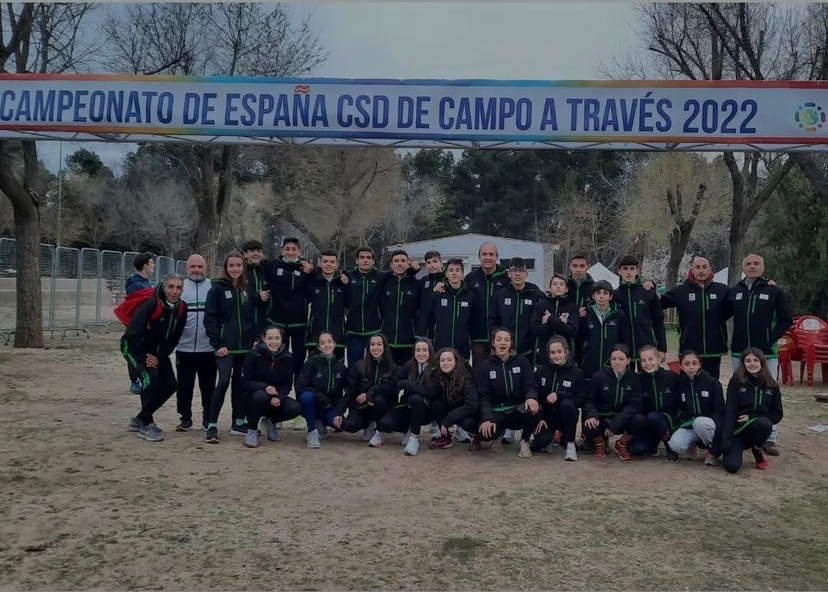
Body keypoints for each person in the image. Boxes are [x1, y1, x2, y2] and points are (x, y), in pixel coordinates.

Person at [725, 253, 792, 457]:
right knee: (739, 390)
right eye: (748, 263)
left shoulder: (774, 290)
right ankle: (740, 430)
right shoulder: (734, 291)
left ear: (763, 267)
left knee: (768, 390)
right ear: (743, 267)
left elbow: (785, 319)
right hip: (739, 350)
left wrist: (769, 340)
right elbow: (720, 314)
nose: (752, 266)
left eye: (756, 263)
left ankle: (769, 438)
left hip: (766, 353)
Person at [125, 274, 187, 442]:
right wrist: (143, 358)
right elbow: (132, 333)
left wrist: (159, 357)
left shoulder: (181, 308)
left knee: (171, 384)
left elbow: (174, 338)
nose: (174, 291)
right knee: (149, 379)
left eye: (178, 287)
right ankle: (147, 424)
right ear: (164, 287)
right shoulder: (151, 303)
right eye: (170, 287)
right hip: (135, 349)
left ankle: (140, 418)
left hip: (157, 353)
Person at [203, 251, 254, 443]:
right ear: (226, 267)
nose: (235, 269)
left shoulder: (246, 288)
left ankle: (238, 422)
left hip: (245, 347)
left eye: (238, 265)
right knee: (223, 381)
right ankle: (212, 424)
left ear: (243, 267)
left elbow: (251, 317)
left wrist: (255, 338)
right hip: (225, 347)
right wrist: (218, 343)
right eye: (231, 265)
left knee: (240, 385)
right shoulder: (216, 288)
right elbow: (210, 319)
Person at [343, 247, 417, 368]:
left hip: (375, 331)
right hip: (353, 331)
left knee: (375, 366)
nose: (365, 260)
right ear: (356, 260)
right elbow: (332, 273)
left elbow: (399, 273)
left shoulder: (380, 277)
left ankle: (372, 387)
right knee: (354, 367)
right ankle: (354, 387)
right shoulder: (349, 277)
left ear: (373, 261)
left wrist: (414, 270)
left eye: (368, 258)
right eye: (362, 258)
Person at [473, 328, 541, 458]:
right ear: (493, 343)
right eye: (498, 340)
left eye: (506, 340)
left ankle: (525, 440)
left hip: (517, 410)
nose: (502, 343)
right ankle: (498, 435)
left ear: (511, 344)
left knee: (535, 408)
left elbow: (530, 385)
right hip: (497, 412)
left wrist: (531, 397)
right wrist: (488, 418)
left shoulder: (522, 361)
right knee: (484, 433)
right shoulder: (484, 366)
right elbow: (483, 396)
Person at [659, 255, 729, 378]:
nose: (701, 270)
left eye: (704, 267)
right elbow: (659, 302)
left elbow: (740, 301)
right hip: (689, 348)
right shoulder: (681, 291)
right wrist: (649, 288)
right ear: (692, 269)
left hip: (714, 349)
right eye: (697, 267)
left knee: (712, 385)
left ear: (710, 270)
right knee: (687, 386)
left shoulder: (722, 290)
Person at [717, 348, 784, 474]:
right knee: (732, 466)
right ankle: (735, 448)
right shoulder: (736, 381)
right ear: (743, 363)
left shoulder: (772, 385)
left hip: (758, 428)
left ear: (762, 362)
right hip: (738, 430)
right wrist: (725, 439)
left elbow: (777, 414)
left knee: (764, 423)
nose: (752, 363)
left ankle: (757, 448)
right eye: (748, 361)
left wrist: (753, 416)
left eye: (755, 360)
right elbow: (730, 410)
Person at [238, 326, 301, 448]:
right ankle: (252, 430)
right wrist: (264, 387)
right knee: (260, 396)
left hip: (275, 397)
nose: (274, 342)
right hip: (254, 397)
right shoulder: (253, 355)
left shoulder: (288, 357)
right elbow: (244, 382)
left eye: (277, 338)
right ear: (263, 338)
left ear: (282, 338)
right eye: (270, 338)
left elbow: (287, 384)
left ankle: (271, 422)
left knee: (295, 408)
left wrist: (280, 397)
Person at [174, 254, 217, 432]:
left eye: (200, 267)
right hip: (184, 348)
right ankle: (185, 418)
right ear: (187, 268)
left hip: (208, 348)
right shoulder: (180, 288)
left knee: (208, 387)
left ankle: (208, 417)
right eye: (193, 267)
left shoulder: (213, 287)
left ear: (205, 268)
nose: (197, 270)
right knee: (184, 386)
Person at [263, 237, 314, 378]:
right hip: (278, 322)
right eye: (287, 249)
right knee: (280, 359)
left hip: (299, 322)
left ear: (299, 251)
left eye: (294, 249)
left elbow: (311, 292)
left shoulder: (305, 269)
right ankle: (280, 394)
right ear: (282, 250)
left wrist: (311, 273)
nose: (290, 252)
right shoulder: (273, 265)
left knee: (298, 360)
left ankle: (299, 393)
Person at [334, 334, 398, 446]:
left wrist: (369, 393)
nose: (376, 348)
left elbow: (392, 388)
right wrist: (339, 412)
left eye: (379, 344)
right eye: (372, 344)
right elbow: (350, 391)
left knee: (378, 399)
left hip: (383, 406)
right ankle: (367, 425)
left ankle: (379, 430)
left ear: (385, 346)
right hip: (361, 406)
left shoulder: (393, 367)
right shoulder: (359, 365)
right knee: (350, 425)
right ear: (368, 347)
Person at [581, 344, 643, 460]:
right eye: (614, 359)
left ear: (628, 360)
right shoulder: (598, 376)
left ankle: (621, 444)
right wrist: (592, 415)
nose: (617, 362)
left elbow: (635, 404)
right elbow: (589, 400)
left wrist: (615, 425)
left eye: (621, 359)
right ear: (610, 360)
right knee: (589, 422)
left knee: (639, 419)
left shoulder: (634, 378)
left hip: (621, 417)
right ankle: (599, 443)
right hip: (602, 417)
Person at [379, 338, 438, 456]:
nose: (421, 353)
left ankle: (414, 437)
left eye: (425, 350)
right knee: (385, 424)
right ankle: (407, 428)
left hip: (427, 409)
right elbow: (394, 382)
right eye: (418, 350)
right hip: (407, 405)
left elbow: (429, 392)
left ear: (430, 352)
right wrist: (374, 391)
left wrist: (407, 383)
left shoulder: (436, 368)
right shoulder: (409, 365)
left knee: (416, 398)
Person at [667, 350, 725, 466]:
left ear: (700, 364)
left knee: (700, 423)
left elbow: (719, 410)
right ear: (681, 366)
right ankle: (692, 445)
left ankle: (713, 451)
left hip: (708, 425)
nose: (691, 367)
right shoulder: (679, 384)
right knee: (675, 445)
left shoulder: (712, 383)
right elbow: (679, 409)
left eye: (694, 363)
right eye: (687, 364)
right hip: (690, 424)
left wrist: (719, 434)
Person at [533, 336, 585, 461]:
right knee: (541, 443)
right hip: (548, 417)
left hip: (567, 416)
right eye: (552, 352)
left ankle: (570, 444)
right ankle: (552, 437)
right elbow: (537, 396)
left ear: (566, 352)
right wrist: (540, 417)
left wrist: (560, 395)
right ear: (548, 354)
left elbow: (580, 399)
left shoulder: (576, 372)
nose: (556, 356)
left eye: (559, 352)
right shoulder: (541, 372)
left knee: (567, 404)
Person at [296, 331, 348, 449]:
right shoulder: (311, 363)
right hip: (314, 404)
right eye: (323, 343)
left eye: (329, 342)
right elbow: (301, 386)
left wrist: (339, 412)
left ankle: (322, 422)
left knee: (345, 425)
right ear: (319, 346)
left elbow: (348, 391)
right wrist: (322, 397)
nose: (327, 345)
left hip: (330, 406)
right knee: (306, 396)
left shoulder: (341, 367)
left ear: (335, 344)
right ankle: (312, 430)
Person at [630, 345, 682, 462]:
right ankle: (653, 444)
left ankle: (670, 446)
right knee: (636, 449)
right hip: (649, 423)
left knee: (653, 416)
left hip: (668, 421)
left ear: (658, 360)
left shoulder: (671, 377)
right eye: (643, 360)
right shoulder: (638, 380)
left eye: (651, 359)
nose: (647, 363)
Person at [614, 255, 667, 366]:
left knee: (647, 381)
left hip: (646, 347)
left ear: (638, 270)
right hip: (623, 349)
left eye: (632, 269)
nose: (629, 272)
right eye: (625, 269)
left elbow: (658, 322)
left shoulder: (648, 293)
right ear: (619, 271)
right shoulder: (614, 295)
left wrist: (662, 348)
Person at [489, 257, 543, 366]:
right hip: (505, 352)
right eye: (514, 271)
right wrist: (499, 341)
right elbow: (492, 320)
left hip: (528, 351)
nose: (517, 274)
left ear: (526, 273)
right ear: (509, 274)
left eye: (521, 271)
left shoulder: (536, 294)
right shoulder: (500, 295)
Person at [464, 242, 508, 366]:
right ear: (479, 257)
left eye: (491, 254)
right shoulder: (470, 279)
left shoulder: (505, 277)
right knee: (480, 374)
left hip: (501, 338)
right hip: (478, 338)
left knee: (500, 374)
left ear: (496, 256)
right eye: (484, 254)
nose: (487, 257)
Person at [428, 348, 480, 450]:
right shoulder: (438, 375)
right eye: (442, 360)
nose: (445, 363)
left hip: (470, 412)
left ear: (456, 361)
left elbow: (472, 404)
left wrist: (449, 419)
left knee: (467, 423)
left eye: (449, 360)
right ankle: (445, 437)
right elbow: (428, 393)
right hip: (453, 406)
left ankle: (478, 436)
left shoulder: (466, 377)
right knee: (435, 404)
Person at [425, 258, 477, 360]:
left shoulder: (470, 295)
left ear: (462, 274)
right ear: (446, 274)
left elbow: (473, 323)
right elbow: (429, 320)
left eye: (457, 270)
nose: (454, 273)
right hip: (441, 349)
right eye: (451, 270)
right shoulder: (437, 294)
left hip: (462, 349)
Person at [578, 280, 629, 380]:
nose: (601, 296)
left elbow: (625, 339)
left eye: (605, 293)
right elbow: (580, 338)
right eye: (598, 293)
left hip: (612, 363)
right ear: (593, 296)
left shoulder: (619, 314)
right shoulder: (585, 314)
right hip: (590, 363)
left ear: (610, 296)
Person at [379, 249, 422, 366]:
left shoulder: (416, 284)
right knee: (389, 376)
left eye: (403, 261)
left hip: (408, 340)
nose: (399, 263)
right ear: (391, 265)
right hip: (387, 340)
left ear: (408, 263)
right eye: (396, 261)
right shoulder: (384, 283)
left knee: (407, 377)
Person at [304, 250, 349, 361]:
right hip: (315, 335)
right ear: (320, 263)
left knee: (337, 370)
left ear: (337, 264)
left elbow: (349, 304)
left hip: (337, 334)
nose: (328, 264)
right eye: (325, 261)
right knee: (315, 370)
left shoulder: (343, 282)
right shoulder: (312, 280)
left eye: (332, 262)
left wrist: (346, 286)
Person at [124, 251, 157, 393]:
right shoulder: (135, 283)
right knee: (133, 350)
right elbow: (134, 304)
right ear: (145, 265)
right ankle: (135, 380)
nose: (153, 265)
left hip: (148, 325)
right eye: (151, 263)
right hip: (137, 325)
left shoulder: (147, 282)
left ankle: (146, 377)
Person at [531, 273, 578, 360]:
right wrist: (561, 322)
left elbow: (573, 331)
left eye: (561, 284)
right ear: (550, 287)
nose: (558, 287)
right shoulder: (540, 305)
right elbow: (535, 329)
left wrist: (550, 319)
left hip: (565, 354)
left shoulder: (572, 307)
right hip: (544, 353)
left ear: (566, 289)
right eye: (555, 284)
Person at [241, 239, 271, 337]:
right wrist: (257, 295)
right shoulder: (240, 272)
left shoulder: (265, 270)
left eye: (258, 251)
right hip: (245, 323)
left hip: (264, 324)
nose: (256, 254)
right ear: (245, 254)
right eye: (252, 251)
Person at [415, 250, 445, 341]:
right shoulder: (423, 281)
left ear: (441, 263)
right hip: (424, 329)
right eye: (428, 262)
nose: (432, 265)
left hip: (442, 328)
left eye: (435, 261)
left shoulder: (447, 281)